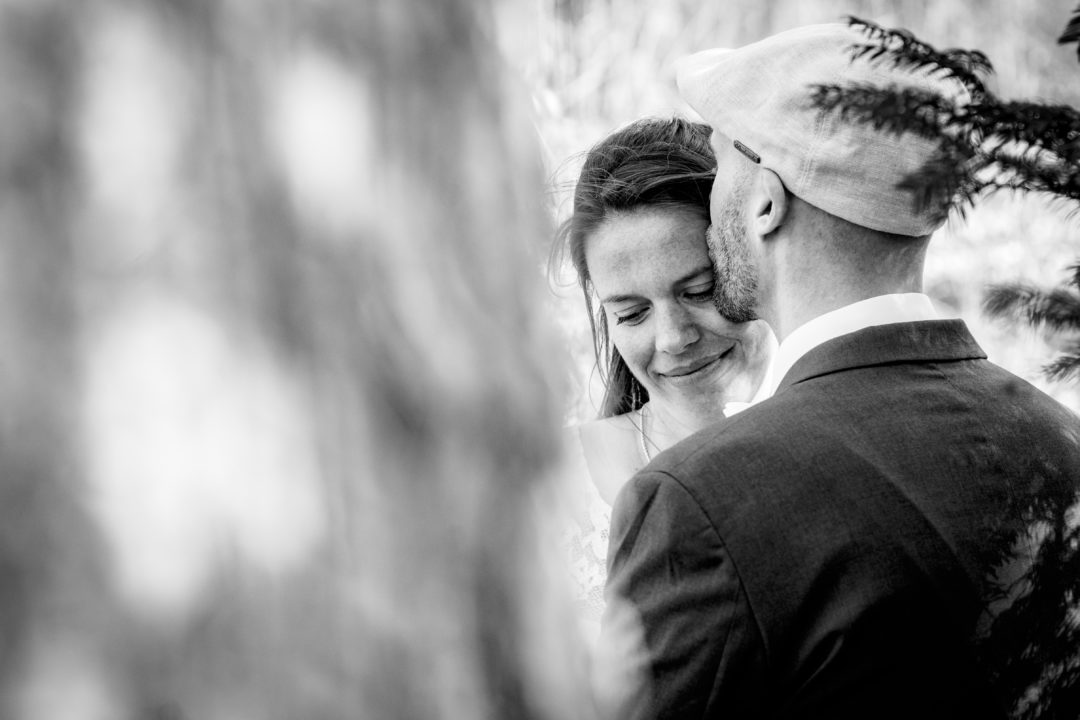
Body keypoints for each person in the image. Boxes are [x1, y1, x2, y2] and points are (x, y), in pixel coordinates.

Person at [601, 23, 1080, 720]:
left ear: (764, 200)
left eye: (722, 162)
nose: (710, 209)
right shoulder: (1060, 437)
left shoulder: (699, 503)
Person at [554, 117, 775, 640]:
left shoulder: (845, 441)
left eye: (700, 291)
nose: (673, 338)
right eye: (631, 315)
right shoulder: (557, 484)